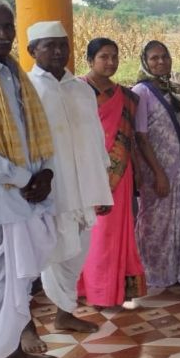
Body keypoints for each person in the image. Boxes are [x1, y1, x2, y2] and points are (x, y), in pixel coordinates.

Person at [0, 0, 58, 358]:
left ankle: (10, 353)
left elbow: (34, 130)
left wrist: (45, 172)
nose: (1, 34)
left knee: (20, 284)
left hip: (26, 197)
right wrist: (24, 176)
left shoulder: (12, 72)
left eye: (7, 26)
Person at [27, 21, 113, 341]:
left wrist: (102, 184)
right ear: (32, 50)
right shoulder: (27, 89)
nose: (58, 51)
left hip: (85, 185)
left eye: (62, 45)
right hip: (50, 188)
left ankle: (65, 313)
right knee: (49, 252)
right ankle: (26, 325)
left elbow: (96, 137)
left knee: (79, 248)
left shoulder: (81, 88)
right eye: (49, 45)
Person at [78, 38, 147, 309]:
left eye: (114, 57)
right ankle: (95, 291)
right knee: (94, 234)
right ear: (90, 60)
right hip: (88, 171)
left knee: (115, 233)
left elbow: (131, 139)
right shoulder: (76, 91)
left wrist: (137, 169)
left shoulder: (126, 96)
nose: (110, 62)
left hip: (120, 172)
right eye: (104, 57)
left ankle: (112, 289)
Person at [132, 40, 180, 289]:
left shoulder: (174, 90)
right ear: (145, 62)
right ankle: (153, 273)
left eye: (165, 57)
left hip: (176, 168)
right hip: (155, 170)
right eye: (154, 58)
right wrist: (158, 173)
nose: (161, 62)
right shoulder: (142, 91)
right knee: (154, 222)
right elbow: (140, 136)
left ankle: (175, 271)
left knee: (175, 219)